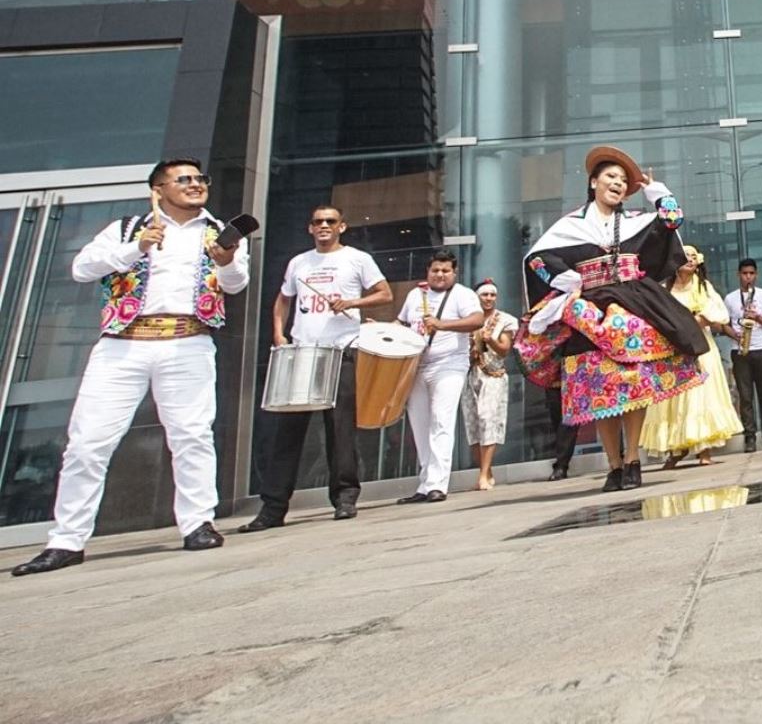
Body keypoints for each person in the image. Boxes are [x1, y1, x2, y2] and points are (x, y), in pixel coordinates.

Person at [12, 160, 249, 576]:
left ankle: (197, 524)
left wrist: (226, 259)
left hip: (187, 341)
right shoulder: (125, 228)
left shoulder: (220, 232)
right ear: (158, 189)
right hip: (123, 346)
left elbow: (235, 284)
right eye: (185, 180)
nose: (196, 185)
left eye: (200, 179)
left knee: (192, 435)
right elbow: (82, 269)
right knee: (87, 443)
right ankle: (67, 540)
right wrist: (136, 247)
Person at [515, 145, 706, 492]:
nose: (617, 183)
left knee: (633, 386)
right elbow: (536, 259)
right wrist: (565, 281)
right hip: (589, 311)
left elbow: (672, 219)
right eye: (610, 177)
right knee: (599, 391)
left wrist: (655, 191)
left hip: (633, 305)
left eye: (623, 180)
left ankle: (632, 459)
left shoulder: (636, 222)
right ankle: (614, 465)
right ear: (593, 182)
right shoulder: (567, 227)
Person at [239, 205, 392, 532]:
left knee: (340, 430)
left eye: (330, 222)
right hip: (302, 352)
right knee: (287, 432)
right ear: (310, 228)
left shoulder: (357, 259)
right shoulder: (299, 262)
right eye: (318, 222)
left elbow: (384, 294)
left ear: (342, 227)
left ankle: (345, 497)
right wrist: (278, 333)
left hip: (340, 351)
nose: (324, 226)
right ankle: (273, 507)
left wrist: (352, 303)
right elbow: (282, 299)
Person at [394, 251, 483, 504]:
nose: (440, 275)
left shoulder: (463, 294)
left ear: (454, 273)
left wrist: (442, 325)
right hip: (417, 365)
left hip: (449, 364)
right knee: (420, 426)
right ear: (428, 271)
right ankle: (425, 483)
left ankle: (438, 484)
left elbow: (476, 320)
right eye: (435, 270)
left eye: (445, 271)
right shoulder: (415, 295)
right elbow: (401, 323)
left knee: (441, 422)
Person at [641, 245, 741, 469]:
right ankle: (676, 449)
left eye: (694, 257)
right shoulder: (665, 288)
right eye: (685, 256)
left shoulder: (704, 287)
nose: (690, 260)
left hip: (701, 348)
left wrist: (702, 318)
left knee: (701, 397)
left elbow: (721, 314)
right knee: (675, 400)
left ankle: (704, 450)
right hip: (673, 350)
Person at [463, 279, 517, 490]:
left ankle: (484, 475)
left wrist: (490, 340)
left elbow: (505, 349)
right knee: (472, 424)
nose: (488, 299)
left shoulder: (504, 320)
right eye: (484, 295)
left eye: (492, 295)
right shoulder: (468, 319)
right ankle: (485, 471)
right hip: (470, 374)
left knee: (487, 418)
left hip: (493, 374)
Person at [725, 258, 762, 451]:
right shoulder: (730, 298)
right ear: (738, 275)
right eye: (745, 273)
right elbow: (724, 325)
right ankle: (750, 438)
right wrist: (736, 335)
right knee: (745, 396)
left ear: (756, 274)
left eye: (751, 273)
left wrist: (757, 317)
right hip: (740, 350)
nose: (748, 277)